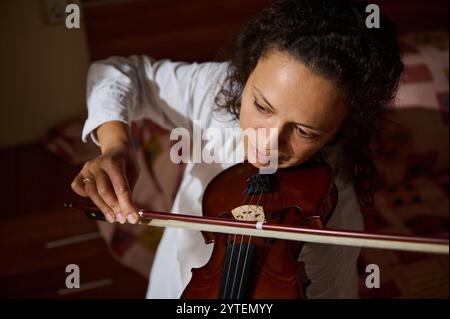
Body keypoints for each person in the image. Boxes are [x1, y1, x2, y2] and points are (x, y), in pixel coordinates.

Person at [71, 0, 403, 298]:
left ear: (341, 128)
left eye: (303, 131)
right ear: (248, 69)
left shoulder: (331, 221)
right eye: (262, 106)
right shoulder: (217, 90)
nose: (269, 143)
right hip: (173, 283)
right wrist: (115, 145)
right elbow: (115, 72)